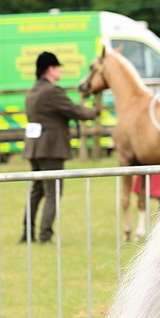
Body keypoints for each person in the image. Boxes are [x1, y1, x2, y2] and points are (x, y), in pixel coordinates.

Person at [20, 51, 99, 243]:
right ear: (50, 69)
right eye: (57, 67)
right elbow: (75, 111)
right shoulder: (52, 91)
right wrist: (95, 110)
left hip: (34, 147)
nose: (60, 71)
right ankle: (45, 235)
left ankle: (27, 233)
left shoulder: (32, 91)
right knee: (53, 192)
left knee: (37, 191)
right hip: (51, 148)